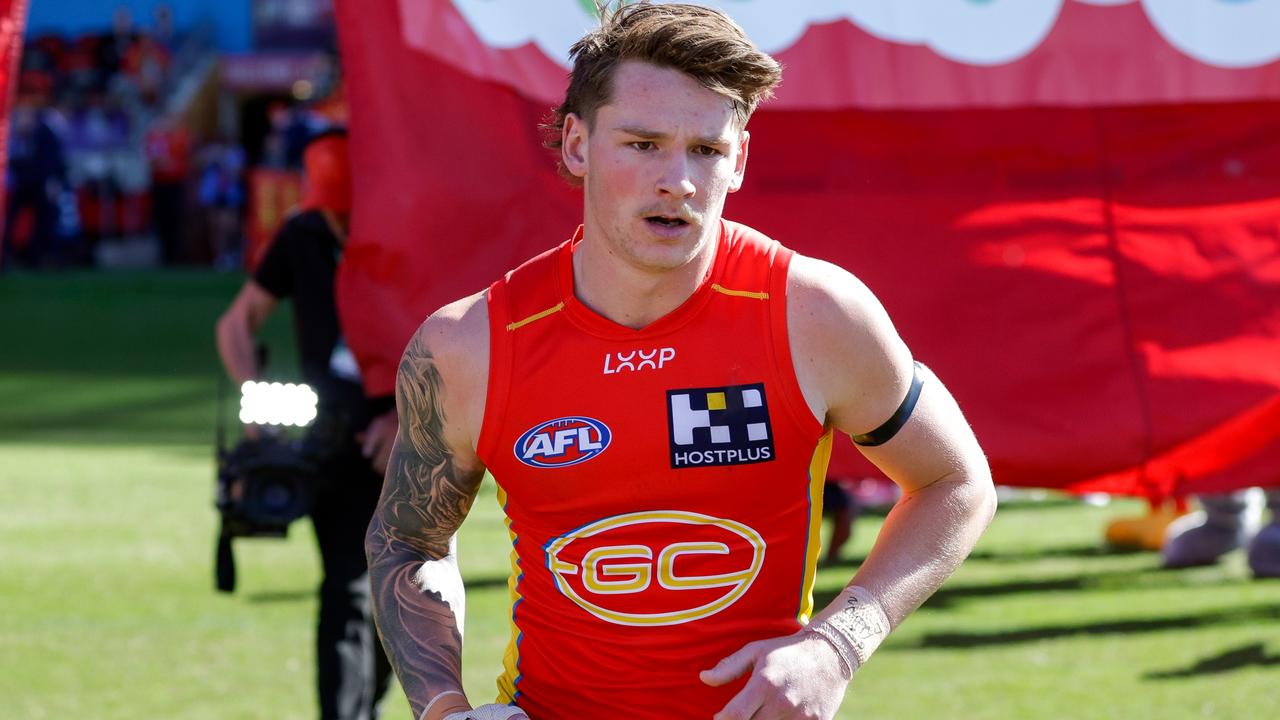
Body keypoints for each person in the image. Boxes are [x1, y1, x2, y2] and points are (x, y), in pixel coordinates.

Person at [367, 4, 997, 720]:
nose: (680, 180)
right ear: (577, 143)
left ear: (742, 160)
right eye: (642, 144)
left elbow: (955, 480)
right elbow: (405, 540)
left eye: (707, 149)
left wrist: (838, 644)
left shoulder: (815, 314)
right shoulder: (468, 346)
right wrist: (444, 709)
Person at [215, 130, 396, 720]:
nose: (342, 224)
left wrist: (403, 416)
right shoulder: (301, 235)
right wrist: (253, 408)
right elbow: (236, 325)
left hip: (411, 444)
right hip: (331, 438)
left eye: (350, 211)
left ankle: (367, 699)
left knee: (404, 590)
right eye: (333, 212)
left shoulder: (408, 233)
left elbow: (457, 332)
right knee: (345, 584)